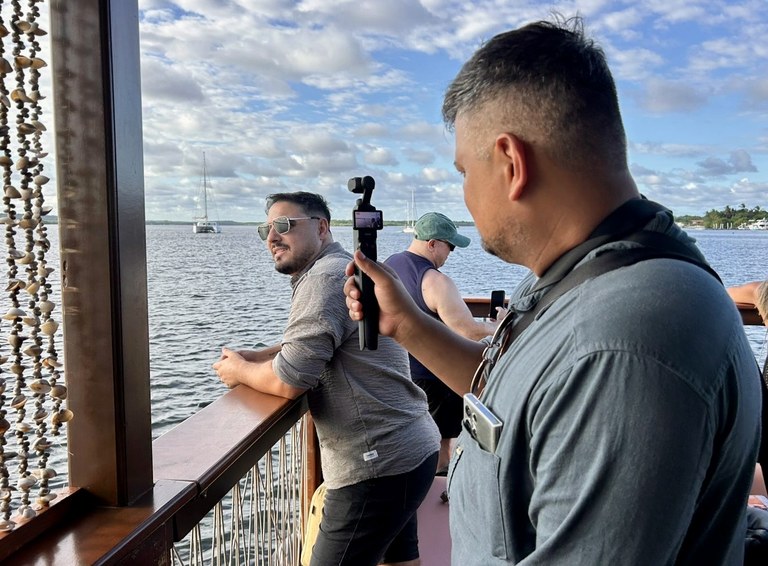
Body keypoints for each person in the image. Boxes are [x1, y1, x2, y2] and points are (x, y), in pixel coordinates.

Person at [344, 15, 760, 565]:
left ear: (511, 163)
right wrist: (407, 325)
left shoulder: (624, 345)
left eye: (465, 171)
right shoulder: (587, 273)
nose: (465, 194)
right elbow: (515, 395)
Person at [213, 192, 440, 566]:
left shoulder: (323, 277)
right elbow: (323, 338)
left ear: (321, 228)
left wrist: (237, 370)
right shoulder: (339, 267)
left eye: (284, 225)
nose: (272, 237)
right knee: (399, 561)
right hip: (410, 448)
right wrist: (261, 355)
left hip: (376, 464)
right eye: (266, 229)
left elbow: (291, 380)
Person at [385, 211, 498, 474]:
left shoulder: (389, 266)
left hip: (400, 372)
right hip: (435, 377)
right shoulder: (436, 281)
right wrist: (496, 327)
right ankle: (442, 490)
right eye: (450, 246)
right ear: (432, 243)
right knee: (443, 446)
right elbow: (468, 331)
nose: (451, 254)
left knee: (415, 441)